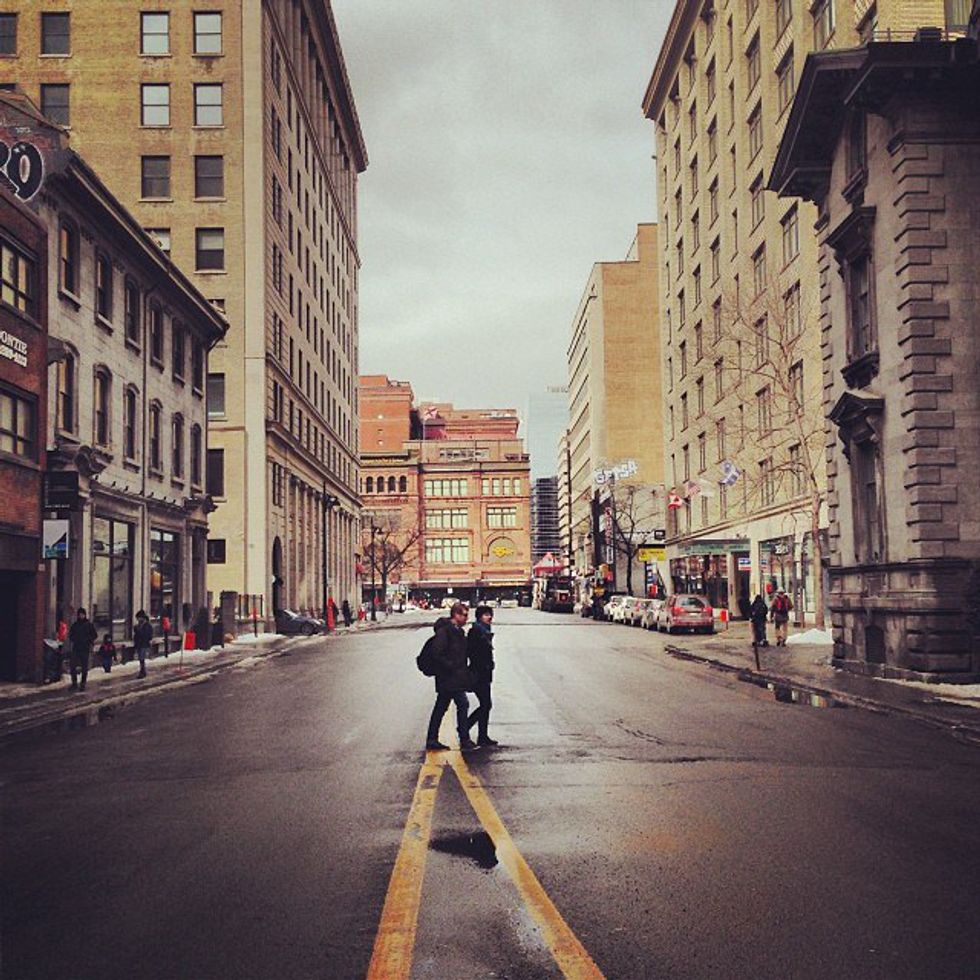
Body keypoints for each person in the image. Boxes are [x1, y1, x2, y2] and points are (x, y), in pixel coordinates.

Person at [425, 602, 477, 751]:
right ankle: (464, 739)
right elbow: (437, 653)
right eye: (464, 615)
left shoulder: (458, 631)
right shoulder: (445, 632)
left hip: (454, 677)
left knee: (441, 707)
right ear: (456, 615)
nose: (467, 618)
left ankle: (432, 739)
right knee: (462, 704)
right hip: (448, 677)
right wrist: (451, 665)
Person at [466, 605, 497, 746]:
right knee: (486, 704)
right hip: (479, 673)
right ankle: (466, 727)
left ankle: (482, 736)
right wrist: (484, 665)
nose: (489, 617)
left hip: (485, 672)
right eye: (486, 615)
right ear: (479, 617)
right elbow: (472, 652)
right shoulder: (476, 631)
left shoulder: (484, 630)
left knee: (485, 704)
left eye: (490, 614)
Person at [68, 607, 97, 691]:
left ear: (84, 615)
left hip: (85, 648)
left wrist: (88, 640)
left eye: (82, 614)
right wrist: (74, 639)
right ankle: (74, 683)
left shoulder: (89, 625)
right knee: (73, 666)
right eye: (80, 614)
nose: (81, 616)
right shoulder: (75, 625)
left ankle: (83, 684)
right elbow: (71, 635)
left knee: (84, 667)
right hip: (76, 648)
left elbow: (94, 635)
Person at [133, 610, 153, 678]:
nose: (137, 619)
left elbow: (147, 635)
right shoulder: (139, 625)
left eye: (138, 618)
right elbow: (136, 636)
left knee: (142, 658)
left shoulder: (147, 625)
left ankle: (142, 672)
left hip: (144, 644)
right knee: (141, 659)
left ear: (142, 617)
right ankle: (142, 671)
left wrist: (138, 631)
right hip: (139, 644)